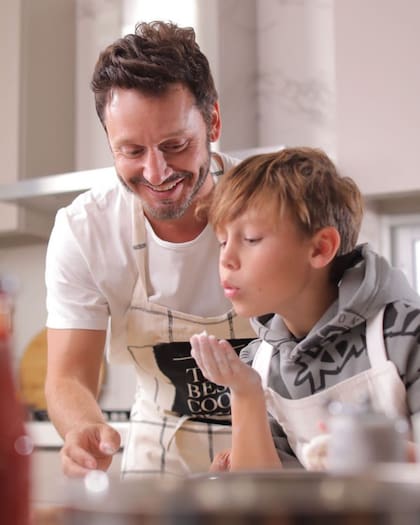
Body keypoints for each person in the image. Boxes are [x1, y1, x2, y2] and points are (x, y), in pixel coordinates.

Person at [44, 21, 256, 479]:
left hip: (274, 455)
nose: (156, 171)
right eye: (131, 150)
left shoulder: (272, 204)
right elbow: (69, 375)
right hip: (159, 464)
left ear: (213, 120)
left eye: (175, 145)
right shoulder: (86, 231)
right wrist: (82, 427)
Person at [190, 147, 420, 471]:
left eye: (251, 239)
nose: (226, 259)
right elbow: (266, 502)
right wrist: (245, 393)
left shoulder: (407, 335)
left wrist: (378, 457)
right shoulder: (259, 363)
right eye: (223, 241)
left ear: (320, 248)